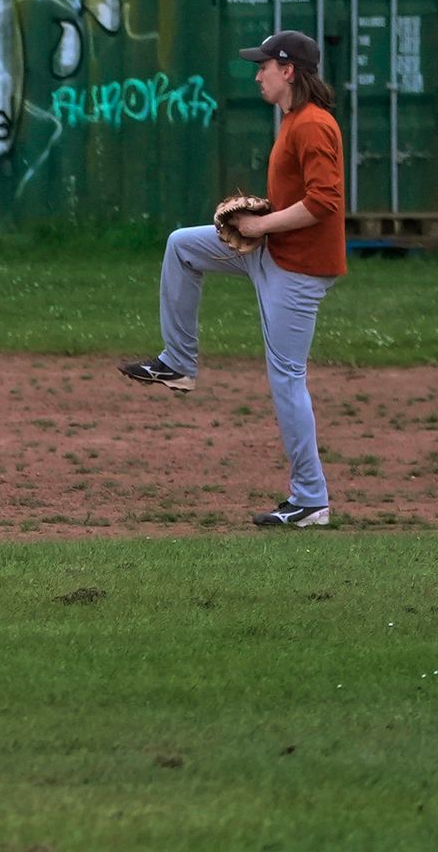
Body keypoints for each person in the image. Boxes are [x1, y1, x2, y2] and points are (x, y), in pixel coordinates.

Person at [119, 28, 346, 528]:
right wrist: (265, 220)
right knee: (183, 246)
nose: (257, 73)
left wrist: (261, 223)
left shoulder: (313, 125)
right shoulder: (292, 119)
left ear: (289, 71)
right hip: (272, 251)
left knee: (287, 377)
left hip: (298, 268)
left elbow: (325, 201)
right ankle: (177, 361)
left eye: (264, 65)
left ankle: (311, 499)